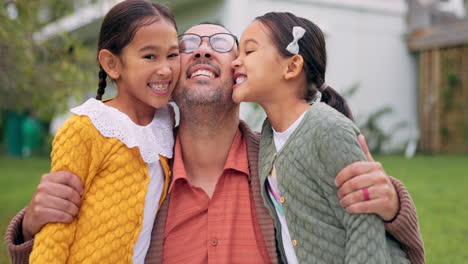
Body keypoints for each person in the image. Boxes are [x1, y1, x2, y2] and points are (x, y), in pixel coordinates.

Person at [5, 22, 425, 264]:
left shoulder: (283, 164)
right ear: (168, 73)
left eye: (224, 45)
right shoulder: (137, 168)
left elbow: (381, 246)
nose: (203, 51)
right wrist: (30, 226)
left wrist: (391, 206)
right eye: (186, 46)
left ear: (239, 69)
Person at [231, 11, 415, 263]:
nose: (235, 62)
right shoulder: (267, 138)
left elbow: (365, 223)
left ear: (292, 66)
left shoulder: (327, 128)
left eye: (249, 52)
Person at [26, 1, 179, 263]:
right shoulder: (86, 129)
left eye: (173, 55)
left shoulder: (170, 125)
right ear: (112, 64)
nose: (165, 69)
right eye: (150, 56)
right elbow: (55, 230)